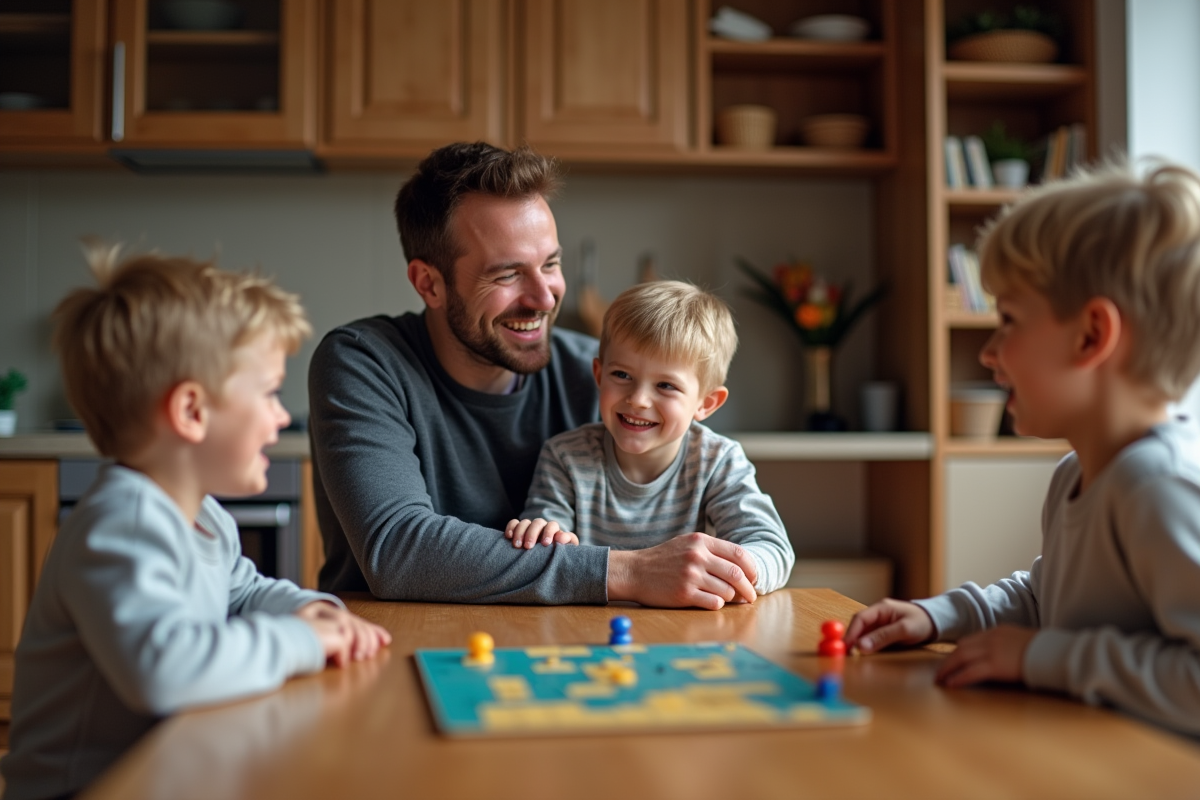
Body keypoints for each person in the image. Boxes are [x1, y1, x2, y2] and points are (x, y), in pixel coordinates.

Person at [0, 246, 390, 800]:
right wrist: (301, 640)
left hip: (164, 771)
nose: (282, 416)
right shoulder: (123, 525)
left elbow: (244, 592)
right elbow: (164, 670)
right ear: (191, 411)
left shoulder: (202, 515)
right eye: (269, 393)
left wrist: (311, 609)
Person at [309, 141, 760, 609]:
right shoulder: (364, 363)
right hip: (391, 639)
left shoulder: (602, 377)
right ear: (430, 283)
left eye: (551, 264)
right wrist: (629, 571)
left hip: (554, 640)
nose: (545, 298)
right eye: (507, 274)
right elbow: (398, 552)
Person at [842, 160, 1200, 737]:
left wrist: (1042, 658)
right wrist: (938, 616)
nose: (989, 352)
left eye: (1008, 320)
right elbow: (1044, 600)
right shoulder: (1076, 475)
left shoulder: (1156, 486)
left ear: (1091, 336)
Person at [504, 281, 795, 595]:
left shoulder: (717, 460)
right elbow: (544, 551)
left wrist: (733, 571)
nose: (638, 400)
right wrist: (541, 535)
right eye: (622, 375)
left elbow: (773, 548)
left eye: (666, 386)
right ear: (599, 375)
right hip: (588, 620)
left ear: (706, 403)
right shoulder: (564, 456)